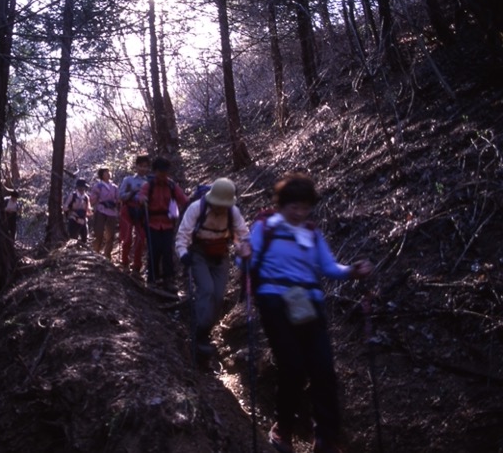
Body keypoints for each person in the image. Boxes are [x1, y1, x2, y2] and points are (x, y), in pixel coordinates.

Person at [248, 172, 373, 453]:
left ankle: (326, 438)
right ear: (282, 205)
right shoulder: (265, 227)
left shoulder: (311, 232)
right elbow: (248, 262)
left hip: (307, 302)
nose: (300, 212)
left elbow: (328, 267)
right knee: (292, 366)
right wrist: (242, 254)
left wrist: (353, 271)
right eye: (295, 206)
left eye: (305, 207)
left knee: (323, 368)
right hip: (273, 300)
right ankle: (283, 429)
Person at [176, 178, 251, 361]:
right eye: (218, 204)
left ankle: (205, 331)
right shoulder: (196, 208)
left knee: (218, 296)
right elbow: (183, 234)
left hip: (221, 255)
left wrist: (244, 248)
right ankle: (199, 335)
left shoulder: (233, 212)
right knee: (207, 290)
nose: (221, 208)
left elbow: (243, 235)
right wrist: (183, 253)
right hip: (198, 253)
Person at [136, 156, 189, 286]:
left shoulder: (171, 186)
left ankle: (168, 278)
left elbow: (183, 199)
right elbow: (141, 195)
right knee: (154, 250)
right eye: (160, 172)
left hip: (167, 224)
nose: (163, 175)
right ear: (155, 172)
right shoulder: (149, 185)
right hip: (151, 223)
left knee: (167, 250)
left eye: (165, 172)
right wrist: (143, 200)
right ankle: (152, 278)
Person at [118, 155, 150, 276]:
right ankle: (124, 262)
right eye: (140, 166)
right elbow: (120, 196)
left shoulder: (149, 181)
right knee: (127, 237)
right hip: (128, 209)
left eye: (145, 166)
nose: (143, 169)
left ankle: (137, 266)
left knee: (141, 238)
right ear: (136, 166)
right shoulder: (128, 180)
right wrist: (133, 192)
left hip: (142, 211)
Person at [89, 167, 119, 260]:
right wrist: (97, 197)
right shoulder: (98, 186)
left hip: (112, 212)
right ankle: (96, 253)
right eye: (105, 172)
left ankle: (107, 254)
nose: (108, 174)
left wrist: (116, 204)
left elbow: (118, 199)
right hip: (101, 210)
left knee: (111, 234)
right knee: (99, 233)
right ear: (101, 175)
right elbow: (92, 200)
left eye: (108, 172)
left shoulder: (114, 186)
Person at [64, 179, 91, 245]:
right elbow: (65, 207)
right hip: (73, 218)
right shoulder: (72, 196)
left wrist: (85, 216)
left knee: (84, 237)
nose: (82, 189)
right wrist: (73, 214)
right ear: (77, 187)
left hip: (82, 220)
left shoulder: (86, 198)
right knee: (72, 237)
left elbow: (89, 210)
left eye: (83, 187)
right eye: (80, 187)